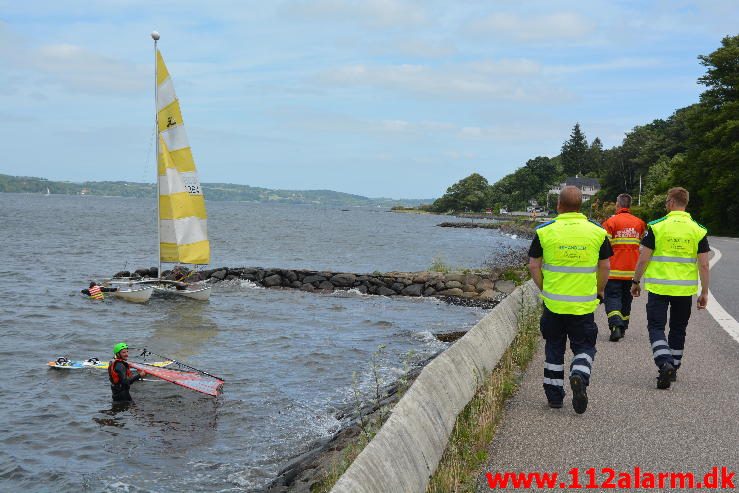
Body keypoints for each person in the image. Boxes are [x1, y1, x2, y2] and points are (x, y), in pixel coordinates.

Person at [529, 186, 612, 414]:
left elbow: (534, 265)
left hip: (553, 304)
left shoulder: (545, 231)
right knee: (584, 345)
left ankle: (555, 397)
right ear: (580, 205)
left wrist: (545, 288)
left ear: (558, 205)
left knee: (554, 347)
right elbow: (605, 266)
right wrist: (600, 290)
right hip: (583, 304)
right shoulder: (597, 232)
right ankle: (579, 373)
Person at [630, 187, 710, 389]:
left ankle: (664, 362)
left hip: (659, 287)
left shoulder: (657, 227)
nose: (666, 205)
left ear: (672, 202)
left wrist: (635, 281)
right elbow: (704, 264)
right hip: (684, 290)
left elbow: (643, 258)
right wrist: (704, 292)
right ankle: (673, 367)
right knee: (678, 328)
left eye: (666, 201)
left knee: (656, 327)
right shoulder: (698, 230)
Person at [601, 194, 646, 341]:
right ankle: (623, 326)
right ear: (630, 205)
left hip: (613, 271)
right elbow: (643, 247)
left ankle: (615, 326)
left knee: (612, 298)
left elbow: (603, 247)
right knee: (627, 300)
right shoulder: (639, 223)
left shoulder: (610, 222)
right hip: (632, 272)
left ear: (617, 205)